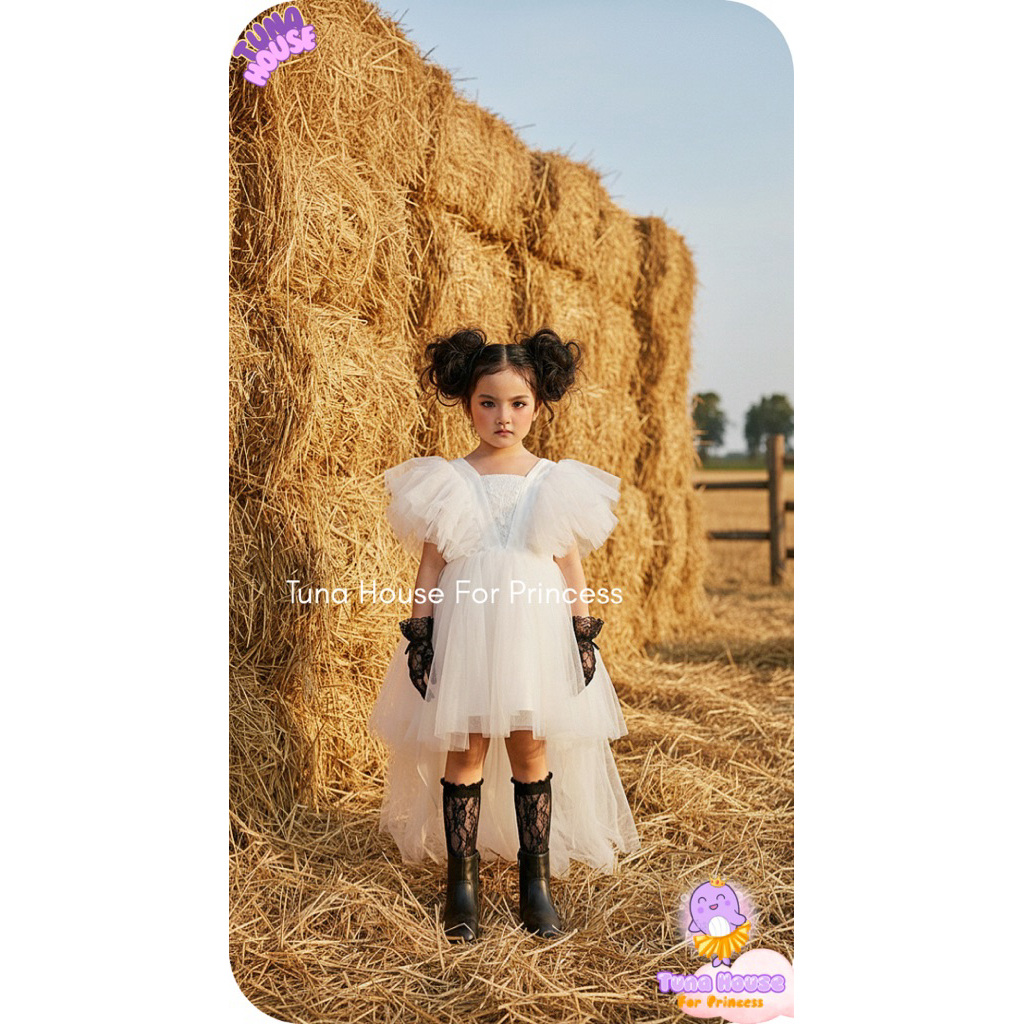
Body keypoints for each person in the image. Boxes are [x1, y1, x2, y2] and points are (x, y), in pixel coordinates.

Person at [368, 327, 640, 943]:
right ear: (468, 404)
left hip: (533, 634)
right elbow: (431, 567)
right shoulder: (448, 480)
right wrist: (421, 634)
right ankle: (461, 889)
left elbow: (570, 566)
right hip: (466, 631)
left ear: (538, 405)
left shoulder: (553, 480)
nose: (503, 417)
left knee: (529, 746)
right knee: (464, 748)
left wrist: (581, 633)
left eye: (518, 403)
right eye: (488, 403)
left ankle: (534, 885)